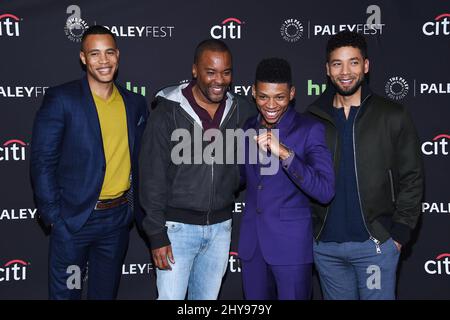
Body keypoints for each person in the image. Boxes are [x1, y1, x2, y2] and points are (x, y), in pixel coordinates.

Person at [30, 25, 149, 299]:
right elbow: (42, 160)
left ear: (118, 55)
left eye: (109, 52)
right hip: (74, 221)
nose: (103, 60)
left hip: (117, 220)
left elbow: (140, 161)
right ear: (83, 58)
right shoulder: (62, 99)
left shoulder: (134, 103)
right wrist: (54, 217)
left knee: (104, 295)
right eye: (94, 54)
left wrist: (133, 211)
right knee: (68, 295)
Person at [307, 31, 424, 300]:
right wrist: (312, 234)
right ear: (327, 69)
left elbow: (412, 177)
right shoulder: (312, 119)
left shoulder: (392, 115)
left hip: (376, 246)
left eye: (353, 62)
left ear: (366, 66)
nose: (345, 71)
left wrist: (398, 234)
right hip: (326, 249)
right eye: (337, 63)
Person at [139, 39, 256, 300]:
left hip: (220, 228)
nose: (219, 80)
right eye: (211, 72)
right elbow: (151, 178)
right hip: (176, 230)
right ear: (195, 70)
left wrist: (232, 179)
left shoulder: (241, 110)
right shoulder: (167, 113)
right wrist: (157, 234)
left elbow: (250, 160)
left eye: (226, 72)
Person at [238, 58, 335, 300]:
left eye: (279, 97)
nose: (270, 105)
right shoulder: (246, 129)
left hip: (291, 248)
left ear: (291, 94)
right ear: (253, 93)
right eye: (263, 97)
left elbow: (325, 190)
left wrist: (285, 153)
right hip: (252, 248)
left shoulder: (310, 129)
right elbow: (239, 179)